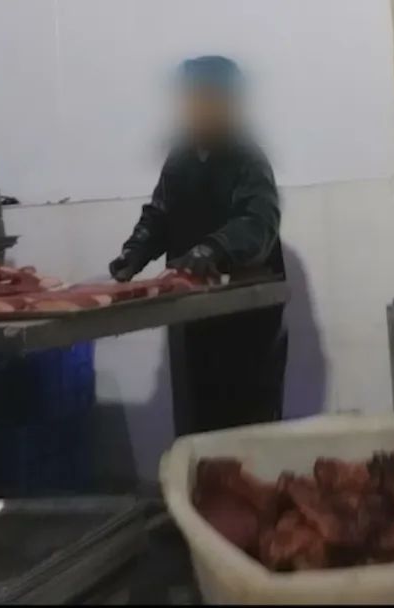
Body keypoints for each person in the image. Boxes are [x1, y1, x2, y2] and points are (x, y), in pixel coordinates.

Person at [108, 56, 287, 435]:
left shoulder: (248, 158)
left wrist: (214, 249)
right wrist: (135, 251)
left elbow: (258, 223)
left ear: (229, 104)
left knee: (246, 426)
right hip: (193, 315)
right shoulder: (180, 158)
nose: (197, 110)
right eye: (191, 100)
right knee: (197, 423)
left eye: (208, 100)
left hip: (247, 322)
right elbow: (160, 213)